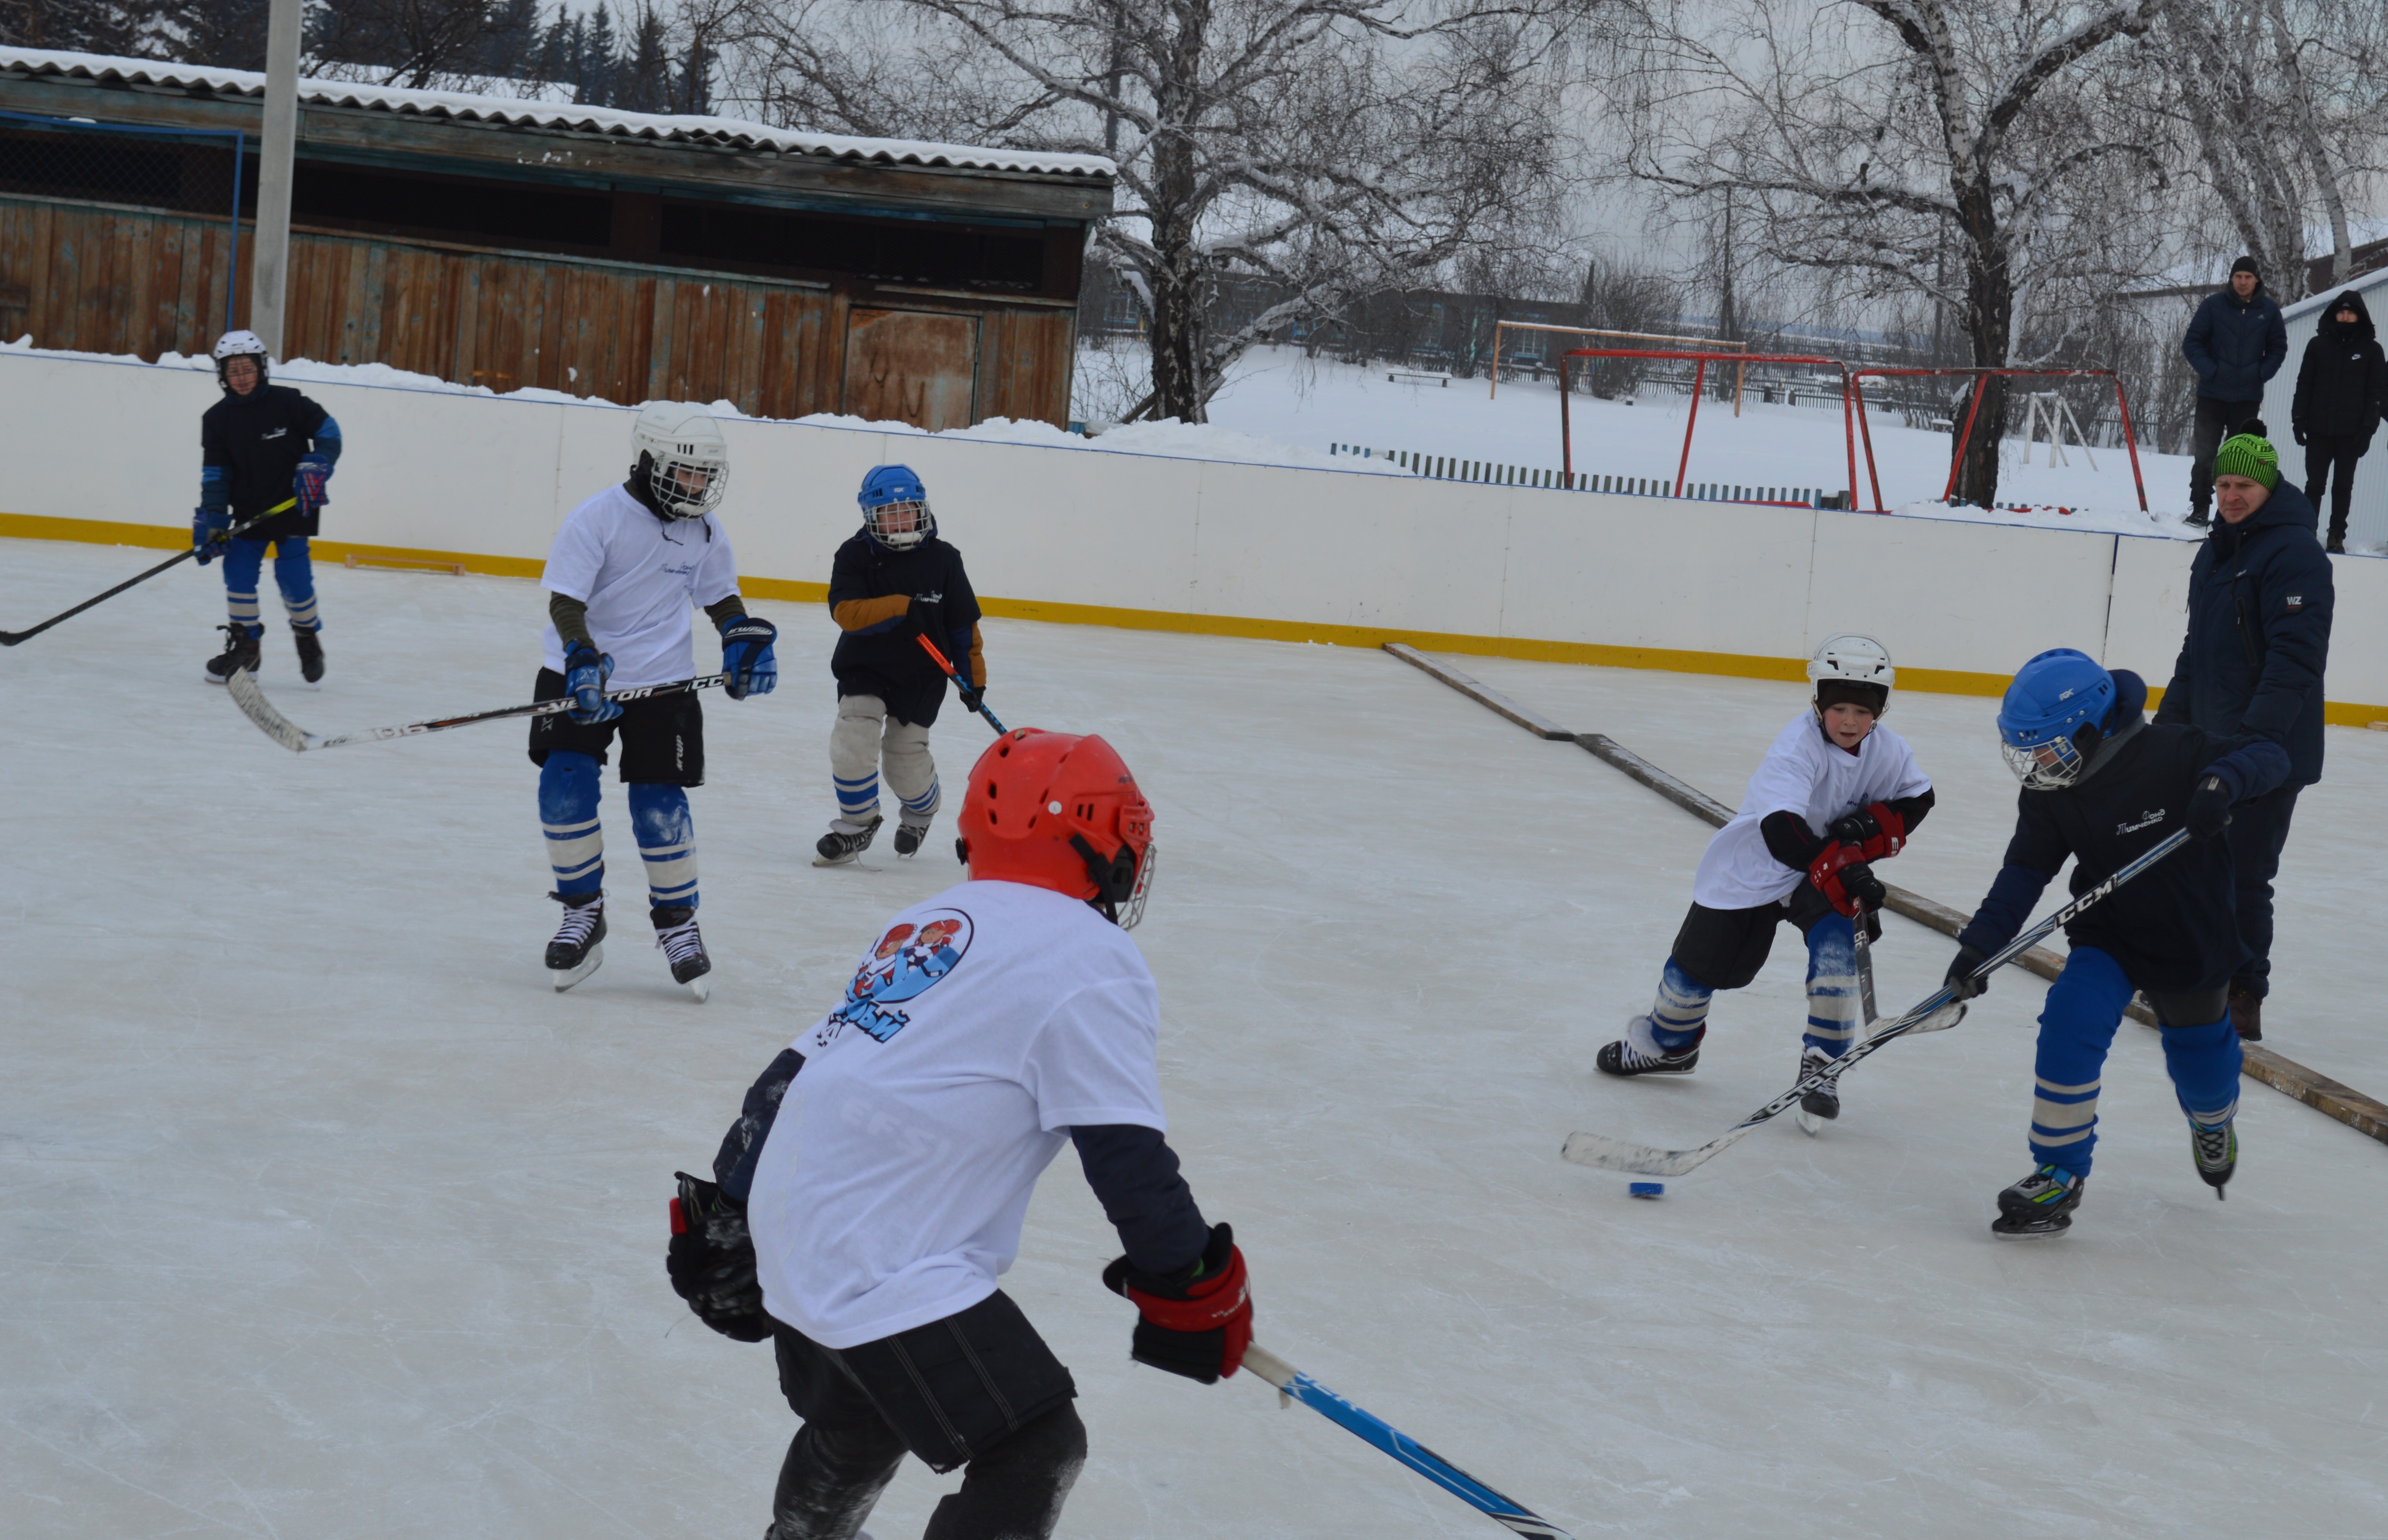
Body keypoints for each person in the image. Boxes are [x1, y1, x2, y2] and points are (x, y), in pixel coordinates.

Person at [664, 727, 1248, 1540]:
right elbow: (1123, 1155)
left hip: (791, 1229)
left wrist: (730, 1202)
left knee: (861, 1415)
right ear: (1103, 843)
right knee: (1036, 1445)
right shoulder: (1091, 956)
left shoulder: (934, 917)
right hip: (882, 1257)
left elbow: (799, 1069)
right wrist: (1192, 1284)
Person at [1946, 649, 2289, 1237]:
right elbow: (2024, 871)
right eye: (2026, 752)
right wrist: (1978, 945)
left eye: (2046, 748)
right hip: (2107, 932)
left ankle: (2211, 1121)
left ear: (2089, 726)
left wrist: (2219, 781)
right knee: (2067, 1020)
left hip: (2190, 938)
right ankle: (2057, 1169)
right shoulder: (2051, 791)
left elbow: (2270, 756)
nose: (2035, 766)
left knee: (2202, 1069)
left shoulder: (2174, 752)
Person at [1596, 635, 1935, 1126]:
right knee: (1695, 968)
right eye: (1837, 707)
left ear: (1879, 711)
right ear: (1817, 701)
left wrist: (1864, 833)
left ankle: (1822, 1063)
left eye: (1862, 712)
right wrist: (1846, 867)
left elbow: (1918, 799)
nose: (1848, 721)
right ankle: (1668, 1046)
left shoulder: (1890, 750)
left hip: (1822, 872)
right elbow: (1782, 831)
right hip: (1756, 868)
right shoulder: (1796, 746)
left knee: (1836, 952)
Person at [529, 401, 778, 1000]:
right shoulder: (597, 518)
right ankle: (582, 912)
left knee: (658, 804)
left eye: (703, 475)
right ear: (646, 462)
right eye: (684, 472)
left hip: (662, 680)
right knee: (564, 787)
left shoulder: (706, 530)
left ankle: (678, 923)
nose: (695, 486)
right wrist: (583, 660)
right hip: (578, 670)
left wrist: (740, 640)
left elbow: (721, 597)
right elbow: (566, 601)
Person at [2153, 421, 2333, 1041]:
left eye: (2242, 485)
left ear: (2266, 484)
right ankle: (2192, 976)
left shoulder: (2294, 553)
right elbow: (2193, 653)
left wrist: (2254, 742)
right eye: (2222, 483)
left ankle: (2240, 990)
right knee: (2191, 862)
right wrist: (2166, 729)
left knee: (2244, 874)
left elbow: (2294, 660)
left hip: (2268, 750)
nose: (2229, 495)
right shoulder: (2215, 550)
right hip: (2208, 738)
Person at [815, 463, 986, 867]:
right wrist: (899, 609)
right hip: (866, 667)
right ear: (871, 517)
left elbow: (963, 627)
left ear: (921, 509)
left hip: (922, 674)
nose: (899, 520)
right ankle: (856, 826)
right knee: (852, 739)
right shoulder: (854, 554)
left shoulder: (945, 559)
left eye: (906, 509)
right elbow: (845, 612)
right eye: (888, 513)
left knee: (903, 758)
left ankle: (921, 811)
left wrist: (972, 680)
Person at [192, 330, 342, 683]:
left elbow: (330, 431)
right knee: (238, 572)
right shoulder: (216, 420)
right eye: (233, 372)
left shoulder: (288, 402)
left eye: (248, 369)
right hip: (248, 511)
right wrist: (213, 521)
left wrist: (318, 462)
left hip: (294, 503)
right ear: (222, 376)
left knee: (294, 578)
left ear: (262, 368)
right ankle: (247, 648)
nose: (242, 378)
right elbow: (216, 474)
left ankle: (306, 636)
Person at [2181, 256, 2288, 528]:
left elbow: (2278, 349)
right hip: (2212, 395)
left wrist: (2260, 373)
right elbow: (2193, 342)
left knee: (2239, 457)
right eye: (2239, 277)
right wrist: (2210, 370)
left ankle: (2233, 512)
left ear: (2257, 280)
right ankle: (2201, 508)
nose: (2243, 282)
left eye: (2248, 277)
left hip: (2247, 398)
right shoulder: (2213, 306)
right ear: (2232, 279)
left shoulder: (2269, 310)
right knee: (2205, 454)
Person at [2289, 289, 2387, 554]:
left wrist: (2368, 429)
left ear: (2360, 317)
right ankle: (2307, 530)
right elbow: (2304, 384)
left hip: (2351, 434)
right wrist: (2298, 419)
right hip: (2318, 430)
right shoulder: (2317, 346)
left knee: (2343, 486)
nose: (2345, 317)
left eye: (2351, 313)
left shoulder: (2372, 351)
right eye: (2341, 312)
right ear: (2334, 315)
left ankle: (2337, 535)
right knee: (2315, 485)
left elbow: (2376, 394)